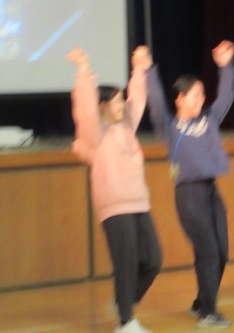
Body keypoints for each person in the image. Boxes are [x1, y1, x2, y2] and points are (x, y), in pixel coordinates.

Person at [68, 46, 162, 333]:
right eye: (117, 101)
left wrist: (140, 69)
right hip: (114, 206)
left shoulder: (126, 126)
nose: (123, 105)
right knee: (126, 262)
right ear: (103, 106)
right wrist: (84, 71)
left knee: (153, 260)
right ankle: (125, 322)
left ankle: (124, 303)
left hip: (139, 203)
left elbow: (139, 100)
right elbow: (85, 109)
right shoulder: (95, 134)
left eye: (122, 100)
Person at [146, 40, 234, 330]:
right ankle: (208, 312)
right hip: (188, 195)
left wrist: (226, 66)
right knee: (208, 250)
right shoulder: (169, 127)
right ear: (180, 99)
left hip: (211, 191)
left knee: (221, 252)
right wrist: (148, 70)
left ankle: (201, 301)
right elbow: (155, 101)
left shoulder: (209, 119)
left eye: (202, 95)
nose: (201, 100)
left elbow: (226, 96)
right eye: (195, 95)